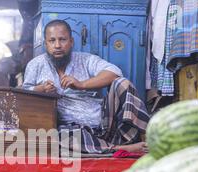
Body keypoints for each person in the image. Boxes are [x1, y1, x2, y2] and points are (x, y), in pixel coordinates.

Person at [22, 20, 150, 154]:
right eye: (52, 41)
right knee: (58, 137)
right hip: (72, 130)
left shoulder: (86, 60)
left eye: (63, 40)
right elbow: (23, 93)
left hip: (105, 124)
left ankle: (148, 139)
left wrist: (82, 85)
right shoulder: (36, 64)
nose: (58, 45)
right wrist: (40, 89)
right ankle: (119, 148)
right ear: (45, 44)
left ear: (71, 41)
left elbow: (114, 72)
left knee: (122, 83)